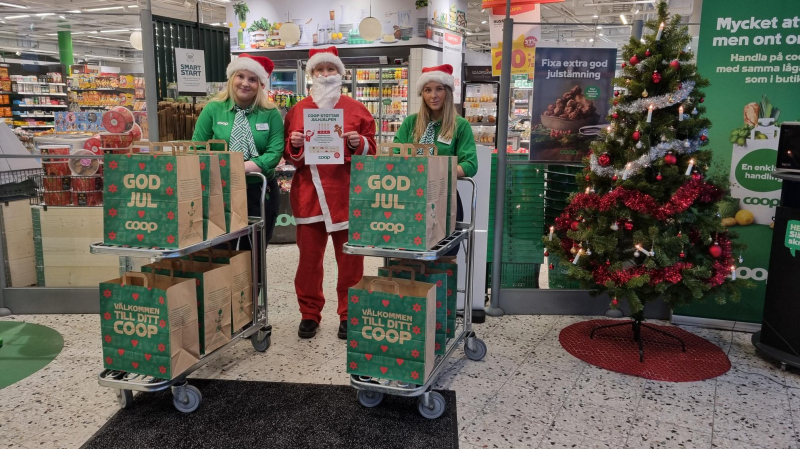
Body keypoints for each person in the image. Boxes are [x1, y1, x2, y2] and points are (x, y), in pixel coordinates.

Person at [283, 46, 376, 339]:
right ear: (311, 75)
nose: (325, 75)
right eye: (319, 70)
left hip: (346, 195)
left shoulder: (357, 109)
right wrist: (295, 144)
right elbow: (290, 156)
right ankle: (309, 313)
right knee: (309, 262)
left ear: (340, 74)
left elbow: (372, 149)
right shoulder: (298, 110)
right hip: (309, 195)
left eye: (330, 69)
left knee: (350, 261)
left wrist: (356, 143)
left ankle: (349, 314)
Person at [192, 53, 284, 262]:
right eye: (240, 76)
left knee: (254, 255)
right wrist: (223, 168)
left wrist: (241, 167)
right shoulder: (213, 109)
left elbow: (274, 153)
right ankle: (225, 292)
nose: (245, 83)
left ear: (260, 84)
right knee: (222, 252)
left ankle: (252, 293)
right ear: (231, 77)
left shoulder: (270, 113)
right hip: (219, 192)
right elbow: (198, 147)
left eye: (252, 79)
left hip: (259, 193)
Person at [394, 64, 478, 253]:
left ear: (448, 91)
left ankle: (439, 283)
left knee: (444, 256)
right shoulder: (410, 123)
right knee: (409, 254)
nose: (434, 95)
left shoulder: (460, 126)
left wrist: (435, 170)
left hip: (444, 199)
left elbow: (470, 165)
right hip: (409, 196)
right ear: (422, 94)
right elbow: (396, 153)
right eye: (428, 90)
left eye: (439, 89)